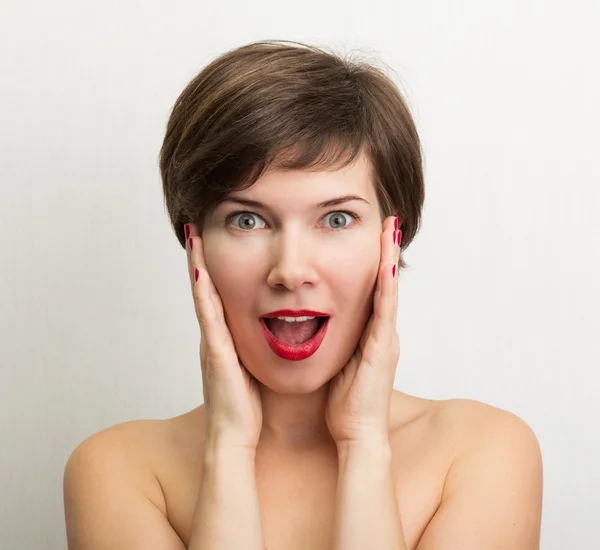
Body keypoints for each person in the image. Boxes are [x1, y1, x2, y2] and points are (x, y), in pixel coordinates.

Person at [63, 40, 543, 550]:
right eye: (246, 219)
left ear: (391, 236)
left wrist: (363, 446)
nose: (291, 271)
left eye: (337, 218)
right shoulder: (119, 471)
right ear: (195, 243)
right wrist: (227, 451)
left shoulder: (482, 454)